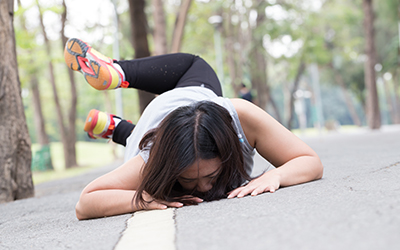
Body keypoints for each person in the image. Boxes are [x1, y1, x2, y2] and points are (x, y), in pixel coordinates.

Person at [64, 38, 323, 220]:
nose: (202, 188)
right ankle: (116, 115)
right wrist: (144, 199)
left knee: (196, 68)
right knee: (143, 135)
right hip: (156, 123)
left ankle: (116, 114)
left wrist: (274, 176)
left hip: (187, 102)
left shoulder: (242, 117)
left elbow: (310, 161)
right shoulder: (152, 155)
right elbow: (85, 204)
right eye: (187, 179)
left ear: (227, 150)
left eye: (211, 176)